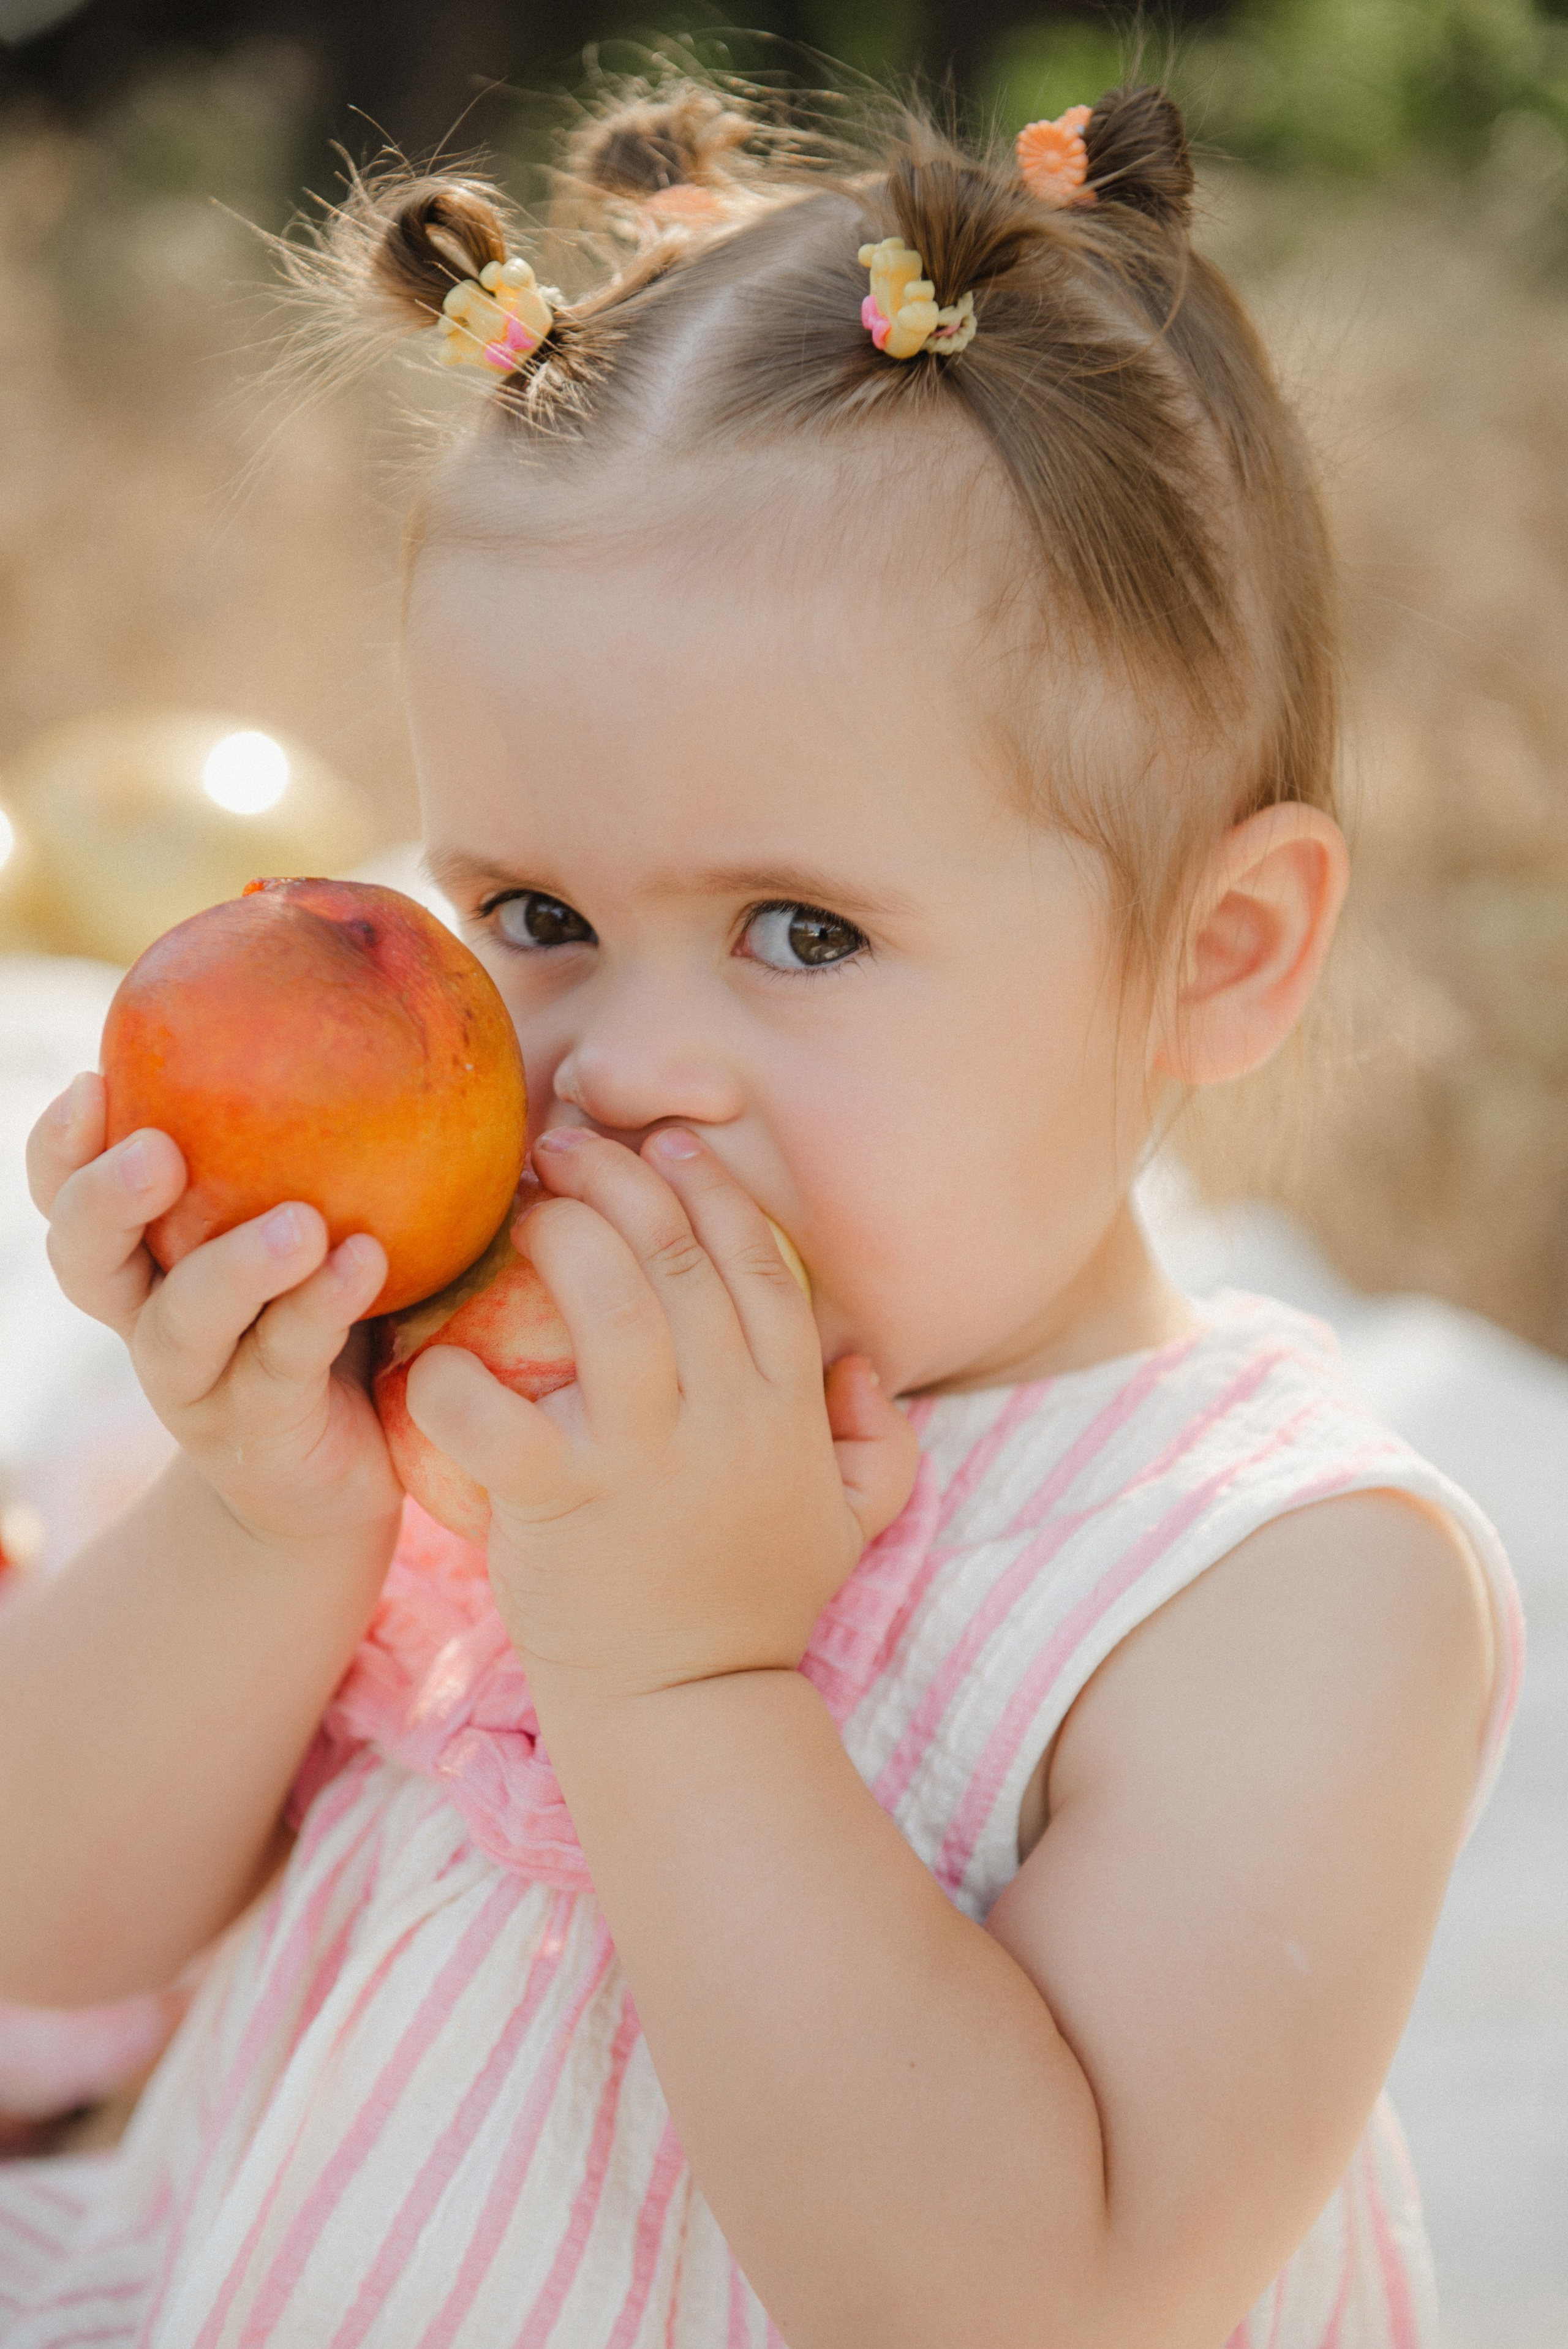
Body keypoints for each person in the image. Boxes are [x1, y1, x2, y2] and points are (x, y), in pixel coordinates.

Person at [0, 71, 1521, 2349]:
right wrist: (261, 1513)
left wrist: (680, 1669)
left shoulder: (1275, 1583)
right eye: (533, 905)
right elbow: (47, 1925)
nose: (620, 1066)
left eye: (803, 930)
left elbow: (1041, 2299)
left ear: (1217, 952)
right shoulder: (458, 1395)